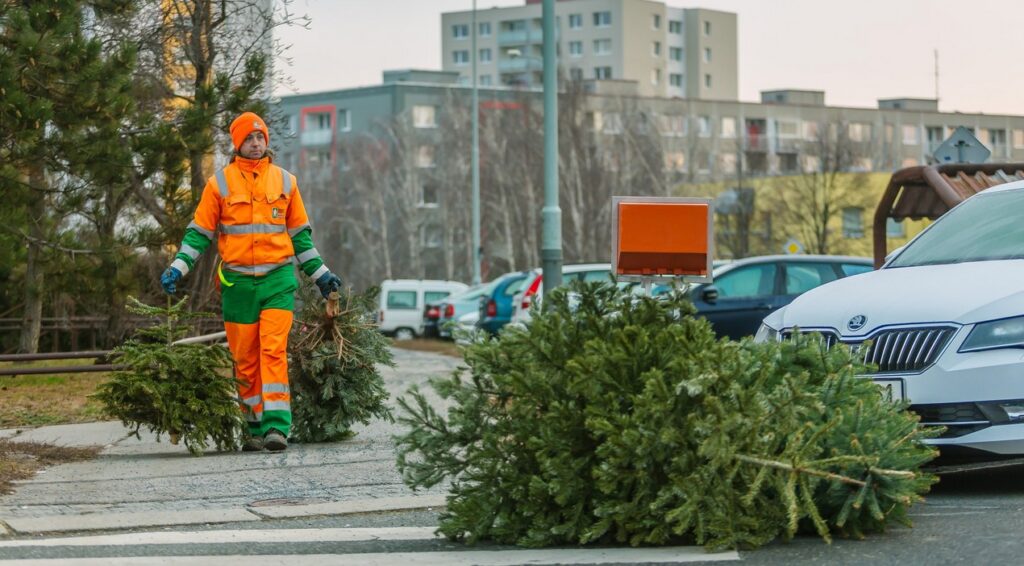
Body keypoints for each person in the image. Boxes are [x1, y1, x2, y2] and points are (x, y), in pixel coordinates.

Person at [159, 111, 341, 452]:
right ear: (237, 144)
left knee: (272, 350)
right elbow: (199, 234)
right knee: (245, 358)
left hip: (278, 280)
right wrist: (178, 267)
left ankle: (276, 428)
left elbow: (301, 238)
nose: (256, 143)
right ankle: (253, 427)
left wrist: (322, 276)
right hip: (238, 285)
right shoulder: (220, 185)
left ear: (267, 141)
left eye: (260, 137)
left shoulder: (286, 182)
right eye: (249, 139)